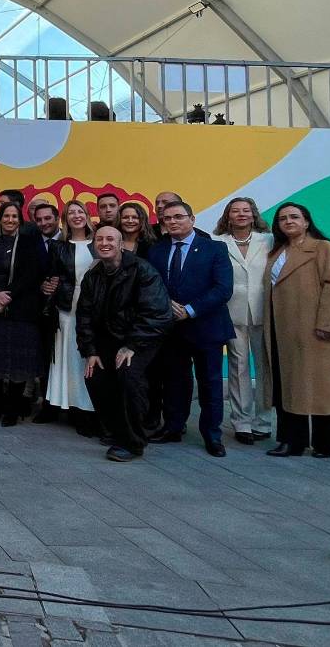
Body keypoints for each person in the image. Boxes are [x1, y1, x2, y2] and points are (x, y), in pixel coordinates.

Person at [76, 226, 172, 462]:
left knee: (128, 375)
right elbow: (84, 315)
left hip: (141, 339)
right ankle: (117, 430)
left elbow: (158, 314)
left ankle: (133, 442)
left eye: (110, 239)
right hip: (107, 340)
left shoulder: (142, 270)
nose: (104, 243)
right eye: (99, 239)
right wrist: (91, 351)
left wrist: (132, 345)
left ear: (121, 244)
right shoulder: (93, 275)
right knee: (94, 375)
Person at [147, 201, 234, 457]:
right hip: (172, 330)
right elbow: (152, 285)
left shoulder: (215, 249)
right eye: (167, 219)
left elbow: (222, 289)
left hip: (206, 328)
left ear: (192, 219)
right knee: (175, 383)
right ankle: (173, 428)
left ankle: (212, 435)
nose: (173, 222)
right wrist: (166, 306)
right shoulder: (157, 250)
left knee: (210, 383)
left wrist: (190, 310)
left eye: (178, 217)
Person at [263, 203, 330, 458]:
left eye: (294, 217)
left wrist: (328, 324)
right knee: (289, 387)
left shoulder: (323, 248)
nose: (288, 221)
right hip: (283, 330)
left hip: (315, 329)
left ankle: (325, 443)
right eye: (283, 218)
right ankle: (291, 441)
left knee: (320, 388)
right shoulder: (278, 252)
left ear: (307, 222)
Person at [212, 197, 274, 445]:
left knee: (265, 367)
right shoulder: (218, 242)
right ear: (228, 216)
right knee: (238, 368)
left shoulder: (268, 240)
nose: (240, 215)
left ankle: (263, 421)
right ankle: (242, 423)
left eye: (245, 211)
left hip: (263, 311)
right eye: (235, 211)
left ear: (253, 214)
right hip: (231, 311)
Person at [0, 202, 43, 426]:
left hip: (20, 308)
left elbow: (31, 274)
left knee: (17, 362)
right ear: (0, 219)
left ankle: (12, 410)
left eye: (15, 216)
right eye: (6, 216)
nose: (10, 220)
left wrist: (8, 298)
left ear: (20, 220)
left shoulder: (28, 243)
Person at [44, 200, 98, 432]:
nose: (76, 216)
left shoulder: (99, 243)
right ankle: (64, 405)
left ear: (87, 215)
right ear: (65, 220)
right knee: (67, 358)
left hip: (93, 311)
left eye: (80, 212)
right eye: (71, 213)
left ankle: (87, 409)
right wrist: (46, 286)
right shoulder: (59, 246)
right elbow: (52, 276)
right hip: (66, 309)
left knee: (86, 359)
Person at [29, 203, 63, 423]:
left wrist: (61, 285)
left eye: (47, 218)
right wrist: (40, 286)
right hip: (40, 310)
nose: (43, 223)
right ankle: (48, 404)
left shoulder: (70, 240)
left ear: (57, 217)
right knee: (44, 357)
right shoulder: (30, 243)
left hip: (68, 310)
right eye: (39, 220)